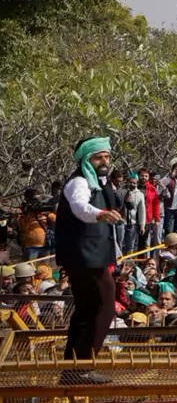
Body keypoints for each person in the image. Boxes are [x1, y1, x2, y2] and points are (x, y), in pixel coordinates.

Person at [54, 137, 122, 385]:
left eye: (106, 156)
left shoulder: (101, 183)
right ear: (86, 159)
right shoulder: (80, 182)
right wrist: (100, 214)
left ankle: (73, 368)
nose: (104, 161)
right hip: (84, 255)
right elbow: (81, 207)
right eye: (98, 157)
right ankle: (83, 365)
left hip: (95, 254)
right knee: (104, 304)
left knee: (85, 310)